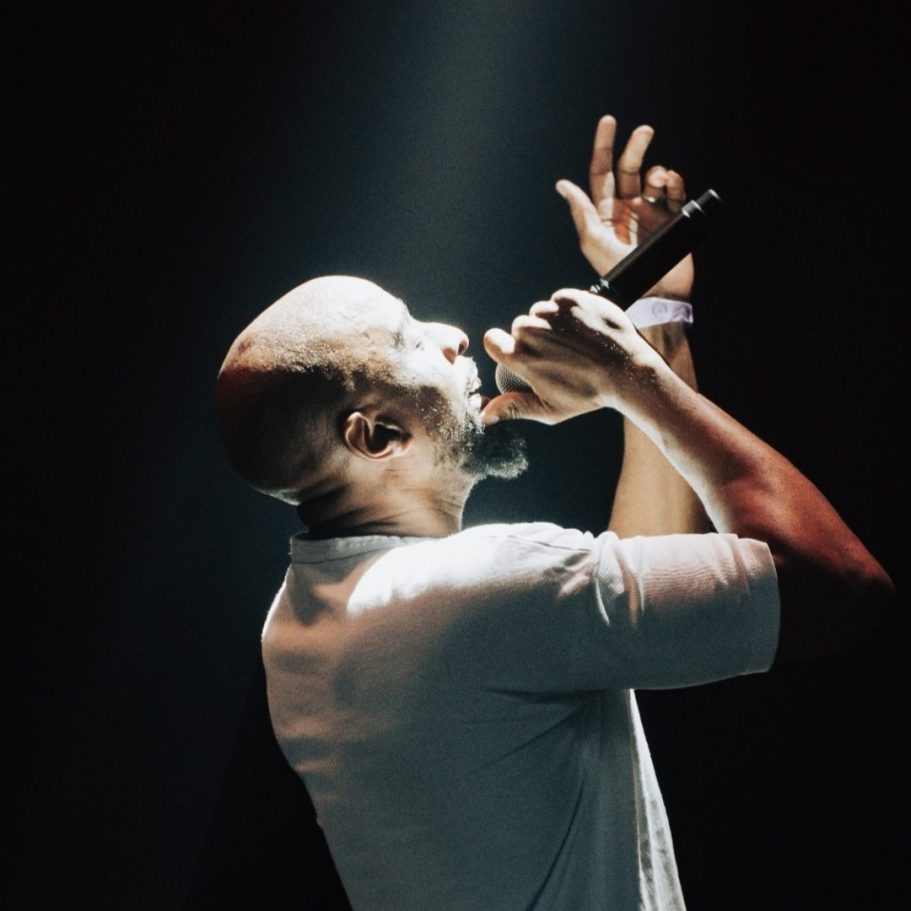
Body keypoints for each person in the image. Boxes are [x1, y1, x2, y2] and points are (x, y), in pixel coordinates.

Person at [214, 115, 894, 910]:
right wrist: (630, 375)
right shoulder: (475, 588)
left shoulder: (299, 629)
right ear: (376, 436)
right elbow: (837, 584)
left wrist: (655, 321)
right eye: (409, 339)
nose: (453, 336)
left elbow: (631, 582)